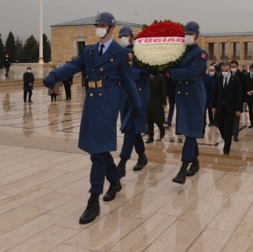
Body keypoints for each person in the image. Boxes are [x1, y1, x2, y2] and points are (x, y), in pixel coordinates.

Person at [42, 12, 141, 225]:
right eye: (98, 24)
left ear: (111, 28)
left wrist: (137, 108)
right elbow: (73, 65)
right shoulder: (89, 51)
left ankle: (93, 199)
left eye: (103, 24)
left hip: (109, 101)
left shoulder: (120, 52)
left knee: (97, 152)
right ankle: (114, 180)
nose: (100, 27)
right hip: (91, 101)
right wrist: (54, 76)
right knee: (96, 147)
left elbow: (129, 81)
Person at [166, 21, 208, 184]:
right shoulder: (180, 52)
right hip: (182, 95)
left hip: (194, 95)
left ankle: (183, 169)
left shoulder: (201, 54)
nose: (188, 37)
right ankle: (195, 163)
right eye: (186, 34)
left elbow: (191, 73)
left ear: (197, 35)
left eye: (190, 34)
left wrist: (171, 72)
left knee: (191, 133)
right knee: (187, 131)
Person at [116, 26, 149, 177]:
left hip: (138, 94)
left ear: (131, 36)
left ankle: (122, 163)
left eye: (125, 35)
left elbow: (150, 71)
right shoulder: (119, 52)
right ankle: (142, 157)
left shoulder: (140, 52)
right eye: (121, 36)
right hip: (125, 96)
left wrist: (130, 73)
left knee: (130, 128)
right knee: (133, 130)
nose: (123, 38)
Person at [212, 62, 243, 155]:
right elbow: (215, 93)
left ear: (229, 70)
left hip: (231, 108)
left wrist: (238, 109)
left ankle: (226, 148)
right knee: (220, 126)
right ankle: (226, 139)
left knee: (228, 128)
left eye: (226, 70)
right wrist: (213, 106)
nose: (224, 72)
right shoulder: (218, 79)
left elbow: (238, 95)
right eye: (223, 70)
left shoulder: (236, 80)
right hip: (220, 107)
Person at [145, 71, 167, 143]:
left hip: (157, 101)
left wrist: (164, 102)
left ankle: (162, 129)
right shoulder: (146, 77)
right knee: (149, 120)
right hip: (148, 100)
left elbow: (163, 90)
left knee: (158, 120)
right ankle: (150, 137)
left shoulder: (160, 77)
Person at [230, 60, 247, 142]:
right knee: (229, 118)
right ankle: (230, 132)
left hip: (238, 100)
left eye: (234, 67)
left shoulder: (241, 75)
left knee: (236, 118)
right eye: (231, 67)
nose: (233, 68)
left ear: (237, 66)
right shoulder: (227, 74)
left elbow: (244, 89)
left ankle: (235, 134)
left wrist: (244, 100)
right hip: (229, 101)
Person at [203, 65, 216, 130]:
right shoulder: (200, 78)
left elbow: (212, 90)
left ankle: (213, 121)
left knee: (211, 111)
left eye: (213, 70)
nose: (212, 72)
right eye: (211, 70)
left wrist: (212, 100)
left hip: (209, 98)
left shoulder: (210, 78)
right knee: (203, 113)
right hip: (203, 98)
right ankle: (203, 123)